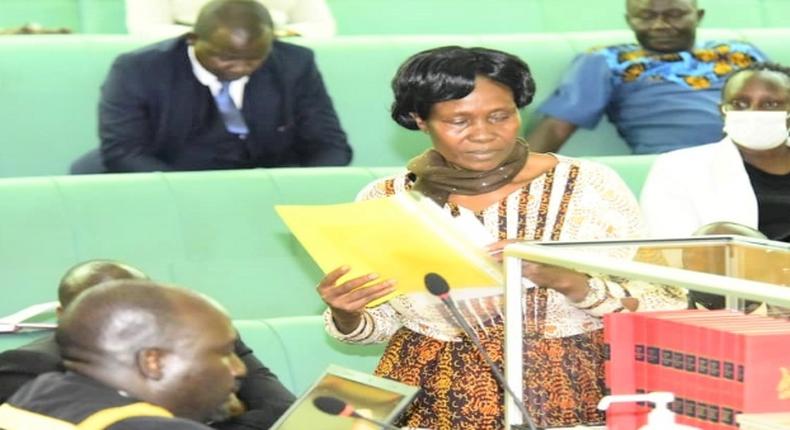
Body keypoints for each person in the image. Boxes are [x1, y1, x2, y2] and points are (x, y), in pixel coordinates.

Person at [316, 46, 688, 429]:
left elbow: (658, 304)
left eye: (501, 116)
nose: (483, 135)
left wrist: (565, 280)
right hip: (426, 390)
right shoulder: (387, 199)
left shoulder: (587, 186)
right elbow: (379, 325)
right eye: (458, 121)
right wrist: (348, 312)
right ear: (419, 120)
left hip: (568, 387)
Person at [0, 260, 295, 430]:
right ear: (152, 362)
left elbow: (281, 408)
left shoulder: (40, 394)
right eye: (221, 354)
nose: (239, 368)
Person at [72, 0, 350, 174]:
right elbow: (124, 152)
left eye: (254, 58)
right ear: (193, 39)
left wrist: (299, 187)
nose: (240, 68)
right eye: (225, 57)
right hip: (171, 175)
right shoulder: (137, 69)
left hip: (265, 179)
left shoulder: (294, 63)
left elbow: (331, 146)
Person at [526, 0, 767, 155]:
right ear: (629, 20)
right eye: (646, 16)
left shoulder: (740, 53)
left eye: (675, 14)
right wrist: (516, 180)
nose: (660, 25)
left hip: (763, 154)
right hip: (677, 164)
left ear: (699, 15)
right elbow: (557, 127)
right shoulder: (606, 60)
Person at [640, 63, 790, 242]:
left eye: (770, 104)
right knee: (719, 232)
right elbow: (672, 245)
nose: (753, 112)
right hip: (738, 267)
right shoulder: (678, 168)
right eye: (739, 104)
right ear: (722, 111)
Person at [125, 0, 336, 38]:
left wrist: (272, 35)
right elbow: (145, 28)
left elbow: (322, 27)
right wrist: (215, 37)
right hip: (187, 53)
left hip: (272, 51)